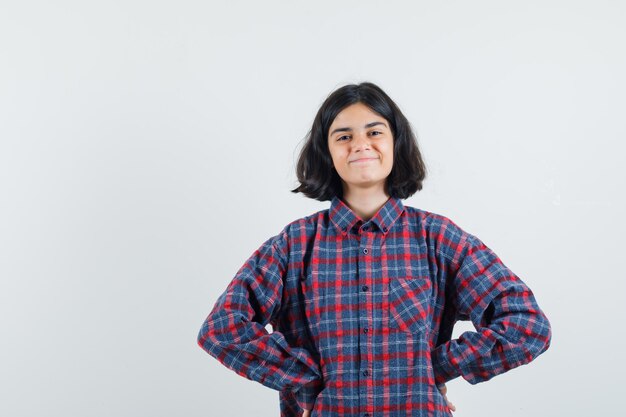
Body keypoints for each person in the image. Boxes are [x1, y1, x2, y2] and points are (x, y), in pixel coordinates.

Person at [197, 82, 552, 417]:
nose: (360, 144)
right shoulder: (293, 246)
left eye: (374, 131)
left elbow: (526, 325)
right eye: (344, 136)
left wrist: (436, 367)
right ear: (327, 151)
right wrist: (303, 380)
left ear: (396, 143)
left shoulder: (439, 238)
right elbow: (222, 329)